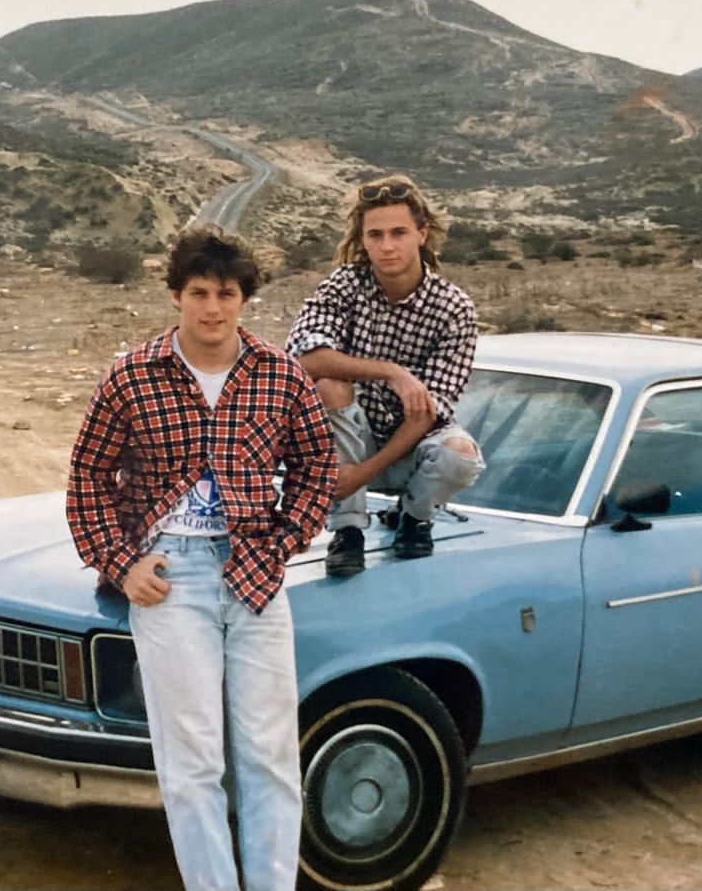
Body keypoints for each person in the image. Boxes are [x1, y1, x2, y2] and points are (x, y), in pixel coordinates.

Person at [66, 225, 336, 891]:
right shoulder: (131, 374)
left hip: (255, 574)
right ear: (176, 295)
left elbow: (316, 469)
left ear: (244, 298)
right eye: (198, 293)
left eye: (226, 294)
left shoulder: (280, 374)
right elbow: (88, 478)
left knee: (270, 755)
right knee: (192, 762)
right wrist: (121, 563)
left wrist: (282, 542)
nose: (212, 308)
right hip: (169, 575)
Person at [285, 175, 484, 576]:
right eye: (375, 235)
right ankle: (347, 529)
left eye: (399, 233)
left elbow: (429, 412)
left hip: (412, 445)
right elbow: (305, 358)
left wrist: (363, 473)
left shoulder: (454, 308)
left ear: (422, 234)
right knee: (329, 386)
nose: (387, 246)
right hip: (350, 442)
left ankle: (415, 516)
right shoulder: (345, 285)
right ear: (362, 239)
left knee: (460, 455)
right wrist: (392, 372)